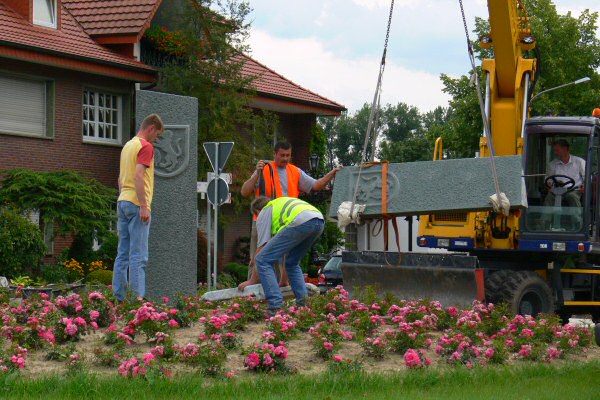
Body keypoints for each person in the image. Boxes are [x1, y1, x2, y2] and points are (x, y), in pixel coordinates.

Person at [238, 141, 341, 290]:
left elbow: (316, 186)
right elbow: (244, 191)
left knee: (284, 255)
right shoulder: (264, 169)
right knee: (260, 254)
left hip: (286, 221)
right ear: (275, 154)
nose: (285, 158)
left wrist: (332, 173)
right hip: (264, 218)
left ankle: (283, 283)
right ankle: (254, 286)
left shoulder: (295, 171)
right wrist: (257, 174)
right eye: (282, 155)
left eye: (288, 155)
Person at [113, 114, 164, 301]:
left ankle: (119, 297)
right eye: (156, 135)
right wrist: (144, 205)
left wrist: (123, 196)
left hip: (123, 200)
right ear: (151, 128)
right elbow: (138, 176)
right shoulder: (146, 146)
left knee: (122, 254)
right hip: (136, 203)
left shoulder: (127, 146)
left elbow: (121, 179)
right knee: (139, 256)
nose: (155, 139)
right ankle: (136, 302)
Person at [251, 196, 324, 316]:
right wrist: (283, 281)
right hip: (318, 221)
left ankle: (275, 307)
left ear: (257, 212)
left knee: (262, 260)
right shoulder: (280, 209)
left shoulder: (265, 211)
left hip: (301, 221)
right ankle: (303, 306)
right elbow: (285, 253)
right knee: (292, 262)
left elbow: (262, 247)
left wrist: (252, 280)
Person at [544, 139, 585, 208]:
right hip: (556, 191)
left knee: (572, 197)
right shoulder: (552, 164)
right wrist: (549, 185)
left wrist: (584, 186)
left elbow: (587, 177)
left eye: (557, 150)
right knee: (549, 197)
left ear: (565, 149)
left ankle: (576, 218)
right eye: (555, 150)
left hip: (573, 190)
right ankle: (545, 218)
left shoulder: (579, 162)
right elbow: (548, 181)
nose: (555, 153)